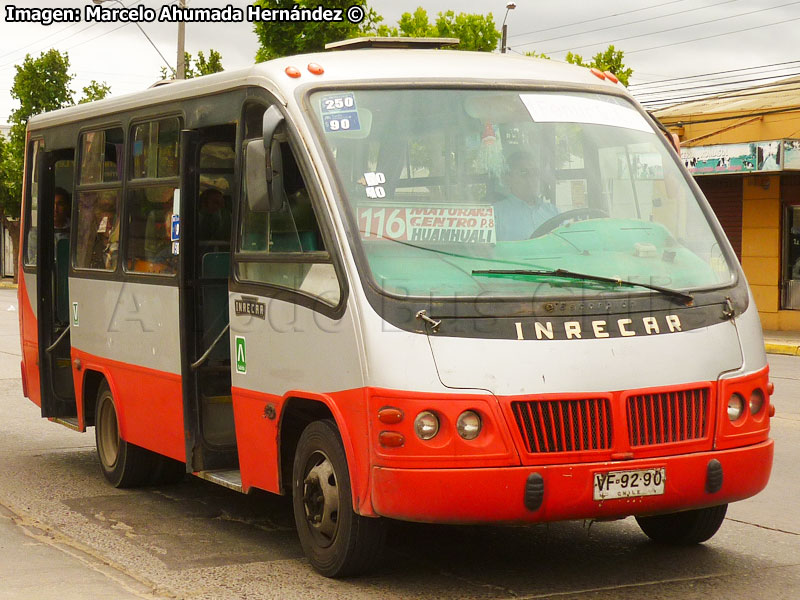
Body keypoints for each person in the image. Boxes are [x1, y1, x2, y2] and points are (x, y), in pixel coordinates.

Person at [493, 151, 558, 241]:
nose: (532, 178)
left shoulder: (553, 212)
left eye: (535, 172)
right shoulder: (495, 214)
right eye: (524, 173)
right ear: (508, 179)